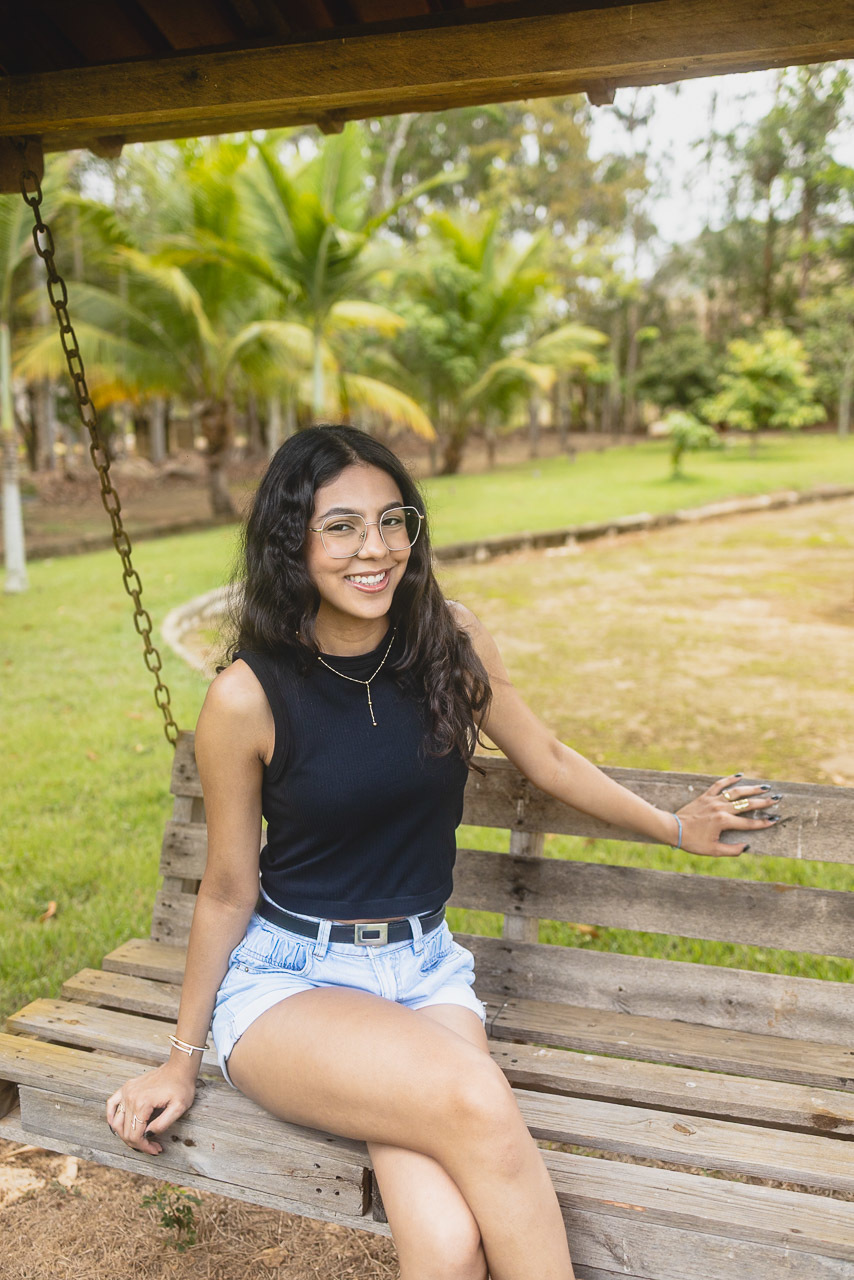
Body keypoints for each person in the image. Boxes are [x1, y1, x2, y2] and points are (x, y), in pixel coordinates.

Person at [106, 425, 777, 1280]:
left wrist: (678, 827)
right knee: (478, 1099)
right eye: (342, 527)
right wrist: (181, 1061)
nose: (375, 548)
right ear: (291, 542)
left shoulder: (446, 643)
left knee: (451, 1245)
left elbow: (548, 758)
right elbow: (228, 890)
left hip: (424, 973)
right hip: (290, 985)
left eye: (393, 521)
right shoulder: (247, 698)